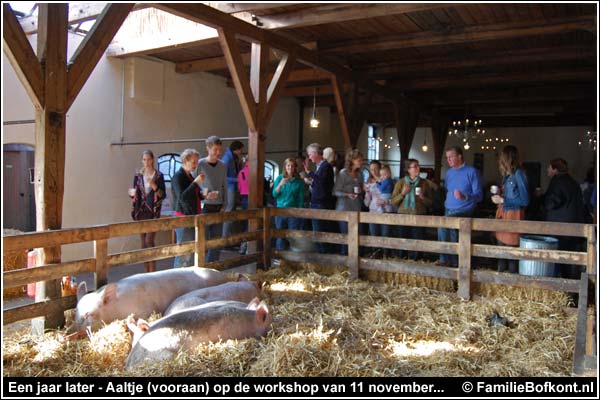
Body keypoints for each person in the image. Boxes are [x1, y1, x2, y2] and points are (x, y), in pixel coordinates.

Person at [436, 146, 483, 267]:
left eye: (451, 157)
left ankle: (450, 261)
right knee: (447, 231)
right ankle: (448, 261)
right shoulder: (449, 173)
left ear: (459, 156)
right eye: (447, 158)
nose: (448, 160)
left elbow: (479, 196)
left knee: (445, 227)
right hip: (449, 208)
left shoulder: (472, 172)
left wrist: (464, 196)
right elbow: (448, 189)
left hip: (464, 209)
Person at [171, 148, 215, 268]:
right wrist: (195, 183)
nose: (196, 165)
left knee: (190, 252)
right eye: (194, 162)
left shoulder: (189, 176)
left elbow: (192, 196)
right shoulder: (178, 177)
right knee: (183, 253)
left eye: (196, 162)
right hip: (183, 218)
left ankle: (187, 280)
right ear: (185, 161)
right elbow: (182, 197)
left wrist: (203, 195)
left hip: (192, 216)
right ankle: (177, 280)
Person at [544, 158, 587, 279]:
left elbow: (552, 203)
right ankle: (571, 287)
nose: (547, 170)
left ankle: (562, 286)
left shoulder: (557, 182)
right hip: (575, 227)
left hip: (560, 228)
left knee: (559, 258)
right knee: (570, 260)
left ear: (555, 169)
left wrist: (542, 198)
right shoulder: (573, 182)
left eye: (549, 167)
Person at [491, 146, 529, 273]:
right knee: (501, 252)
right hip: (503, 214)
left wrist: (502, 200)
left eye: (501, 157)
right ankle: (500, 283)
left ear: (507, 158)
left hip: (514, 215)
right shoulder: (507, 176)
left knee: (511, 254)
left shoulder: (519, 174)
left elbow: (524, 201)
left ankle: (511, 285)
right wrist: (499, 194)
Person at [129, 150, 166, 272]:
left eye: (148, 159)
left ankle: (153, 271)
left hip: (153, 211)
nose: (146, 162)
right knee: (143, 243)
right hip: (141, 211)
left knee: (149, 240)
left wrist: (154, 185)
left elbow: (162, 194)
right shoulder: (138, 175)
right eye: (144, 160)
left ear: (153, 160)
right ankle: (146, 272)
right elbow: (135, 193)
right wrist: (132, 194)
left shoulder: (159, 176)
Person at [391, 159, 434, 261]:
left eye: (418, 166)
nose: (418, 168)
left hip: (419, 216)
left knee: (418, 242)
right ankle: (402, 262)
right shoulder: (400, 183)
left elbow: (431, 203)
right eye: (415, 166)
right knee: (403, 241)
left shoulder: (424, 183)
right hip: (403, 216)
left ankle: (417, 263)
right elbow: (393, 202)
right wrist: (403, 194)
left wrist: (423, 198)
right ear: (408, 169)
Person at [197, 136, 228, 263]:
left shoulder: (223, 165)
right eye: (215, 149)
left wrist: (224, 204)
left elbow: (224, 185)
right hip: (205, 206)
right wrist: (204, 194)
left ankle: (213, 267)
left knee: (217, 240)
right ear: (208, 149)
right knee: (202, 239)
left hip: (218, 205)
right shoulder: (200, 164)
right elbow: (194, 183)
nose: (218, 153)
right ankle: (201, 267)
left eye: (219, 150)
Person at [304, 143, 335, 253]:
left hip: (321, 203)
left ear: (315, 153)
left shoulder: (326, 166)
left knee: (320, 231)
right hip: (317, 202)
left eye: (310, 154)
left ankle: (324, 256)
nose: (309, 157)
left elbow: (322, 183)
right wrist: (312, 183)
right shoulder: (321, 167)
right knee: (317, 231)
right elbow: (319, 183)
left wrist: (309, 172)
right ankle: (321, 256)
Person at [333, 149, 364, 255]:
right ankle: (344, 258)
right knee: (345, 235)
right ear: (352, 160)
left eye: (361, 159)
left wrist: (360, 190)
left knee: (355, 235)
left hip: (356, 208)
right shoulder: (343, 173)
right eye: (358, 159)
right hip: (343, 208)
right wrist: (347, 194)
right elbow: (335, 191)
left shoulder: (360, 175)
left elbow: (361, 189)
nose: (361, 161)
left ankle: (354, 258)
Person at [272, 158, 305, 253]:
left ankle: (292, 257)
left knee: (292, 235)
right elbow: (274, 194)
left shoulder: (299, 182)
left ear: (295, 167)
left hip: (293, 212)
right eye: (288, 165)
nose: (290, 167)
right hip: (280, 211)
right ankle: (280, 257)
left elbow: (300, 199)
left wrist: (299, 213)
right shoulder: (279, 178)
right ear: (285, 167)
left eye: (292, 166)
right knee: (280, 235)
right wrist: (280, 184)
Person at [221, 141, 245, 240]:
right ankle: (224, 238)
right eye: (241, 150)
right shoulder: (227, 159)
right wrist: (237, 180)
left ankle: (228, 237)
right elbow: (223, 177)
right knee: (228, 212)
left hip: (232, 187)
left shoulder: (232, 158)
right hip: (229, 188)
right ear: (237, 149)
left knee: (231, 213)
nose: (241, 152)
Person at [237, 157, 249, 255]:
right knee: (252, 222)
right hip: (254, 197)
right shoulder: (256, 170)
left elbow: (239, 187)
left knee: (246, 222)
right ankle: (248, 246)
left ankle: (243, 246)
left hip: (244, 198)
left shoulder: (241, 173)